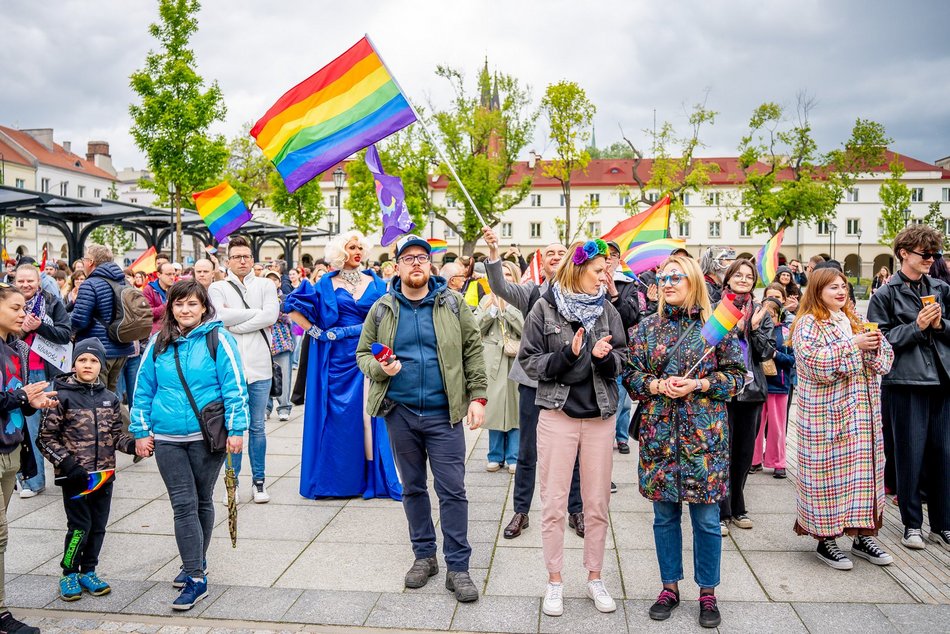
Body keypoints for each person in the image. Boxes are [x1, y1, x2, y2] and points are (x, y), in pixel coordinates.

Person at [355, 234, 487, 603]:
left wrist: (478, 397)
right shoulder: (382, 308)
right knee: (412, 488)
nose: (416, 262)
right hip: (400, 412)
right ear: (396, 267)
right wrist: (380, 369)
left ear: (430, 265)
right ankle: (424, 556)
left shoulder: (453, 303)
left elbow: (473, 350)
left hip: (445, 414)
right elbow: (363, 353)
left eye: (422, 257)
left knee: (452, 490)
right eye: (408, 257)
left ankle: (458, 567)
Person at [622, 255, 745, 629]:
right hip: (660, 438)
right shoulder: (646, 328)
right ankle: (669, 588)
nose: (668, 283)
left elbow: (737, 378)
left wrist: (700, 383)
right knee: (664, 517)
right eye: (664, 278)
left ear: (693, 281)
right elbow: (631, 376)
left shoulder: (715, 327)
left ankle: (707, 592)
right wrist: (657, 385)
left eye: (676, 277)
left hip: (703, 440)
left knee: (707, 520)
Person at [519, 239, 627, 617]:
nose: (604, 276)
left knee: (597, 504)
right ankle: (554, 580)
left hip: (600, 418)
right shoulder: (544, 307)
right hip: (557, 414)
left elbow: (623, 358)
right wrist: (568, 355)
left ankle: (595, 577)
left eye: (606, 270)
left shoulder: (607, 309)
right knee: (553, 503)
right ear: (578, 269)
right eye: (598, 270)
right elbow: (529, 361)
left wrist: (605, 358)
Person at [130, 279, 248, 610]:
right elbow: (143, 389)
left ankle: (195, 562)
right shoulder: (158, 342)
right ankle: (196, 576)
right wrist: (140, 430)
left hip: (205, 437)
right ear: (170, 307)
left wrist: (237, 428)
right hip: (167, 438)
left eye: (192, 303)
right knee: (183, 504)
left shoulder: (218, 339)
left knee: (202, 500)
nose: (185, 309)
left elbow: (234, 386)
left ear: (204, 307)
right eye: (179, 303)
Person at [481, 228, 584, 540]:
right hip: (533, 382)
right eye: (549, 252)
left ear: (570, 259)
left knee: (573, 451)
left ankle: (576, 509)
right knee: (527, 450)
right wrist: (494, 251)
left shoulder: (581, 293)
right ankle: (521, 511)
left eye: (561, 252)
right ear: (542, 260)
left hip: (569, 382)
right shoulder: (531, 293)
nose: (555, 256)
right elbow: (499, 286)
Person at [791, 268, 896, 568]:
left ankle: (862, 535)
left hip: (863, 416)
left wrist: (873, 347)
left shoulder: (855, 320)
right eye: (833, 287)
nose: (841, 292)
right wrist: (853, 345)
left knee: (862, 477)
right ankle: (826, 539)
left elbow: (886, 361)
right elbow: (813, 364)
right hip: (826, 418)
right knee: (826, 479)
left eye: (843, 287)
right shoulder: (808, 323)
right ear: (817, 291)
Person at [285, 231, 401, 501]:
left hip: (369, 356)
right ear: (340, 251)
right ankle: (338, 482)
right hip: (337, 360)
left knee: (369, 417)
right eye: (351, 247)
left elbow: (389, 316)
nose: (357, 251)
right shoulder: (325, 283)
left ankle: (372, 478)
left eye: (360, 247)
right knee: (338, 418)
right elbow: (291, 307)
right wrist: (317, 332)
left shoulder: (377, 283)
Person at [867, 225, 950, 551]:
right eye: (925, 254)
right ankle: (912, 524)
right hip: (905, 382)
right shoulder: (885, 294)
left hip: (942, 381)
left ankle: (942, 524)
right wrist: (917, 326)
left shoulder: (941, 289)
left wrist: (940, 324)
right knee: (909, 455)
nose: (931, 259)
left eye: (935, 254)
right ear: (904, 253)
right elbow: (880, 340)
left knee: (944, 455)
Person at [37, 338, 136, 601]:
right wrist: (68, 464)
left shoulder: (110, 398)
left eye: (94, 360)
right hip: (75, 477)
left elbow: (116, 435)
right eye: (82, 360)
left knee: (99, 526)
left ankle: (88, 571)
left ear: (102, 365)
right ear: (74, 364)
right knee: (80, 526)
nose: (88, 364)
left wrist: (133, 446)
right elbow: (45, 438)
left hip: (103, 475)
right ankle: (69, 572)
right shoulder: (60, 396)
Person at [0, 284, 58, 634]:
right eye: (16, 308)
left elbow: (13, 399)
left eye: (24, 308)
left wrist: (30, 402)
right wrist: (21, 396)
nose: (23, 314)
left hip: (11, 450)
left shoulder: (17, 348)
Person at [209, 236, 278, 503]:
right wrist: (255, 315)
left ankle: (259, 482)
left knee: (258, 427)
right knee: (232, 427)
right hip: (231, 369)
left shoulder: (265, 285)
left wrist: (235, 323)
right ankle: (232, 483)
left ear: (252, 259)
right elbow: (219, 316)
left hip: (260, 366)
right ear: (228, 261)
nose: (242, 261)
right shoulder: (217, 287)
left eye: (246, 256)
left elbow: (271, 316)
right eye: (237, 257)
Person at [717, 259, 774, 535]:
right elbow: (708, 344)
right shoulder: (716, 308)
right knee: (722, 451)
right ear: (728, 279)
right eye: (738, 275)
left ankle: (737, 506)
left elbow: (766, 353)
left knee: (743, 452)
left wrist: (753, 327)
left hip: (751, 393)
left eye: (748, 276)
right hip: (722, 390)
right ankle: (720, 510)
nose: (743, 279)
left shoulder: (761, 311)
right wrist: (736, 328)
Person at [14, 263, 71, 498]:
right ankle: (32, 481)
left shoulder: (52, 302)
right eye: (21, 281)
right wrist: (24, 330)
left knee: (51, 426)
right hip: (18, 371)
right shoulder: (9, 303)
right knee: (25, 428)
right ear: (14, 281)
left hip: (46, 373)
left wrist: (39, 327)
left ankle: (64, 473)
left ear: (39, 282)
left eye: (30, 280)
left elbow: (65, 334)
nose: (25, 285)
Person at [475, 260, 523, 473]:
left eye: (508, 274)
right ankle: (494, 455)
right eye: (500, 274)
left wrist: (507, 308)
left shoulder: (522, 299)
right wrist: (493, 309)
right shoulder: (486, 299)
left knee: (515, 408)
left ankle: (514, 455)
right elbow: (475, 328)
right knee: (493, 408)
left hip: (516, 360)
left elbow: (525, 327)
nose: (504, 278)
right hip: (492, 361)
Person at [70, 245, 135, 392]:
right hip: (122, 347)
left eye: (84, 259)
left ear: (91, 262)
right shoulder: (124, 281)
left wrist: (68, 327)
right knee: (111, 395)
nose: (83, 262)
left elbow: (80, 320)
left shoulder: (90, 284)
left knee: (96, 395)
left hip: (97, 350)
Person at [750, 289, 795, 479]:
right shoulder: (754, 329)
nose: (767, 317)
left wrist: (775, 354)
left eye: (771, 314)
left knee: (777, 427)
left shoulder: (786, 332)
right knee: (756, 426)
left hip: (779, 384)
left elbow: (792, 360)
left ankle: (778, 462)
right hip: (758, 384)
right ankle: (754, 460)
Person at [604, 241, 642, 458]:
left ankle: (621, 436)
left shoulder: (628, 284)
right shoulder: (590, 280)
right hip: (597, 352)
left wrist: (614, 294)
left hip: (619, 350)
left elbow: (631, 318)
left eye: (613, 254)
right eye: (605, 254)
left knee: (622, 400)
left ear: (619, 259)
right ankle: (607, 436)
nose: (609, 258)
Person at [263, 271, 294, 422]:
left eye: (275, 279)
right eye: (268, 279)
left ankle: (284, 407)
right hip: (263, 342)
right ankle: (266, 408)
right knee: (264, 377)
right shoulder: (259, 298)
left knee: (284, 376)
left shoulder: (285, 298)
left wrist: (274, 311)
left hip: (282, 341)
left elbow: (289, 317)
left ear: (279, 283)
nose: (272, 282)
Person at [144, 262, 177, 335]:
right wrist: (167, 305)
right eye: (168, 274)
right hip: (156, 332)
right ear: (159, 275)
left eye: (174, 274)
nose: (172, 277)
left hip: (175, 330)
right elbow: (148, 313)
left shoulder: (177, 288)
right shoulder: (149, 289)